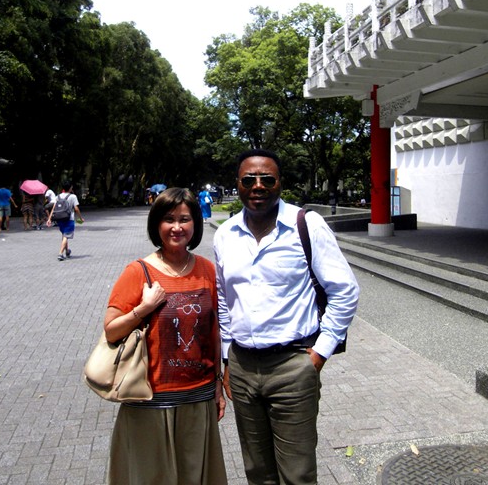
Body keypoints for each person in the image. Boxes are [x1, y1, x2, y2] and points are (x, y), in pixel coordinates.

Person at [214, 149, 359, 485]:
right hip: (242, 367)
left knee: (297, 474)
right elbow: (224, 301)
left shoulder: (305, 225)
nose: (258, 186)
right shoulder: (225, 234)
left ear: (280, 183)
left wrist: (321, 351)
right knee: (257, 471)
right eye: (249, 180)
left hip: (293, 366)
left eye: (267, 179)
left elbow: (345, 290)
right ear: (238, 184)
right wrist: (226, 359)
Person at [104, 187, 227, 485]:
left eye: (184, 219)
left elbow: (213, 332)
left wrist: (218, 384)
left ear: (195, 224)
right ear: (156, 224)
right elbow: (111, 329)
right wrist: (143, 309)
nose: (176, 227)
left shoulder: (207, 270)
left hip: (197, 396)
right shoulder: (138, 272)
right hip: (150, 398)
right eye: (169, 219)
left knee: (195, 477)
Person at [46, 181, 84, 261]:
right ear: (70, 188)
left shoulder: (58, 196)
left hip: (60, 219)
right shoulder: (73, 196)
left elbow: (53, 208)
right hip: (69, 219)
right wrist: (80, 218)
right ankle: (60, 253)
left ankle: (67, 251)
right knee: (66, 236)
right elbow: (76, 208)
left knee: (64, 235)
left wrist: (49, 219)